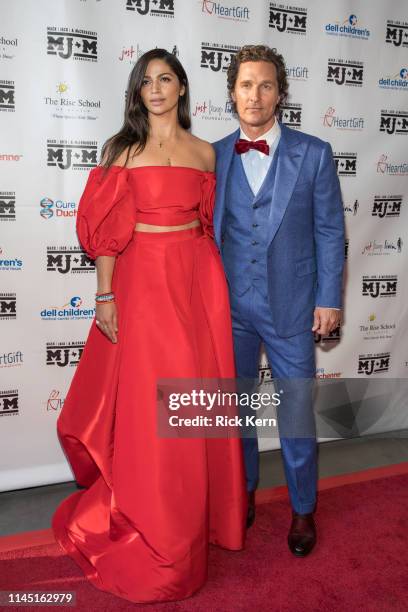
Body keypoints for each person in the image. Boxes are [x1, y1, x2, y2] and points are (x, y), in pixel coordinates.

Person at [52, 48, 247, 604]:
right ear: (137, 92)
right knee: (149, 407)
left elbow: (208, 226)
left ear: (182, 88)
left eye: (166, 79)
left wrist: (211, 286)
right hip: (140, 284)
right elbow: (108, 230)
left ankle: (193, 525)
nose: (156, 89)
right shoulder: (123, 150)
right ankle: (152, 527)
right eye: (146, 82)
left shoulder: (207, 153)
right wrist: (105, 294)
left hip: (197, 281)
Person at [213, 45, 344, 556]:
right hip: (230, 308)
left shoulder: (313, 152)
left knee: (295, 415)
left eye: (265, 85)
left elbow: (331, 231)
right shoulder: (214, 154)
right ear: (232, 93)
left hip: (292, 305)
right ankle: (241, 494)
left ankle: (302, 509)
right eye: (246, 85)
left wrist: (328, 298)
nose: (255, 95)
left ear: (281, 93)